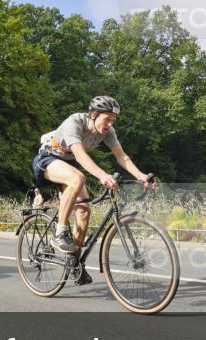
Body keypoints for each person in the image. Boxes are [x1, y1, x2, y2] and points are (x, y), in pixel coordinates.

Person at [32, 96, 154, 285]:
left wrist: (141, 176)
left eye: (113, 120)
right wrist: (103, 175)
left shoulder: (108, 131)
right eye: (107, 119)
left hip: (69, 164)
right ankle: (60, 233)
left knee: (84, 210)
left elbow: (122, 157)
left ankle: (73, 263)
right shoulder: (75, 122)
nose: (110, 124)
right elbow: (80, 156)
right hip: (48, 158)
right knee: (78, 178)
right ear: (93, 115)